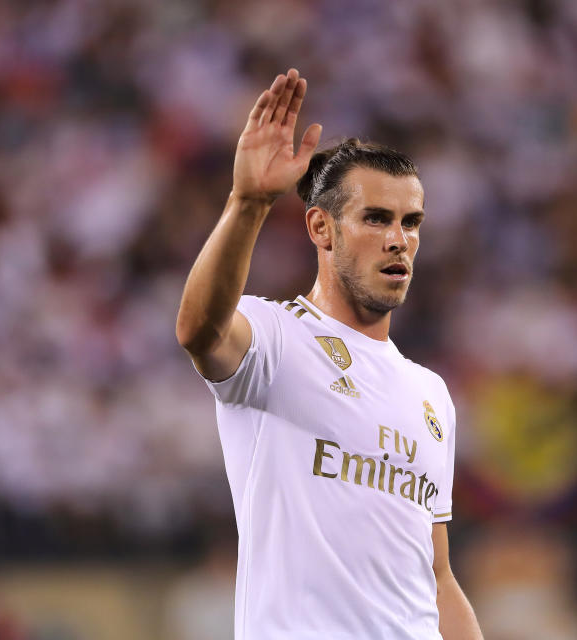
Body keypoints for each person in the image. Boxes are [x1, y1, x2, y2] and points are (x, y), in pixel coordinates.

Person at [176, 68, 483, 639]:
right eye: (376, 218)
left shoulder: (430, 394)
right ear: (322, 228)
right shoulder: (274, 337)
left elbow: (437, 576)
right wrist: (248, 202)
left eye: (410, 222)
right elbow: (199, 331)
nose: (400, 240)